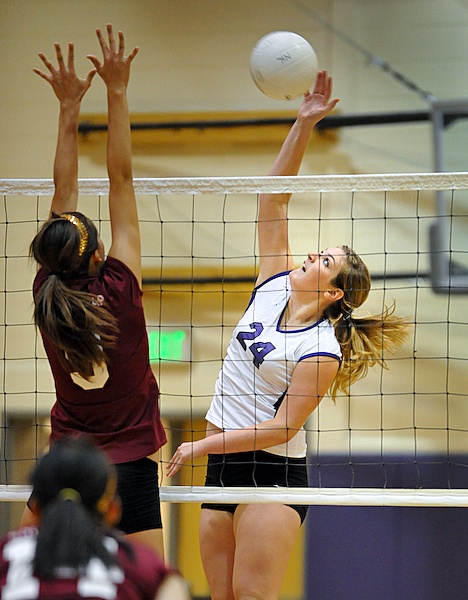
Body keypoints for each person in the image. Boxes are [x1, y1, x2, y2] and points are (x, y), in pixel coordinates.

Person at [166, 70, 410, 600]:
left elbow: (280, 428)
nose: (309, 256)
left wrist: (199, 445)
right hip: (222, 466)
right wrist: (302, 124)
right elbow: (273, 202)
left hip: (270, 473)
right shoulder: (273, 286)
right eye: (318, 251)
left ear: (335, 293)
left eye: (324, 261)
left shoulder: (320, 350)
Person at [23, 25, 167, 558]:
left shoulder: (47, 292)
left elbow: (64, 191)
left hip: (67, 458)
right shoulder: (120, 288)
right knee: (149, 582)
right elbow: (121, 180)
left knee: (28, 569)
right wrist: (117, 90)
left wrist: (67, 107)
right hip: (128, 464)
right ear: (101, 254)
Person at [0, 436, 190, 599]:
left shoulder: (7, 554)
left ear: (35, 506)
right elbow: (173, 589)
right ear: (113, 510)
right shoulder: (136, 564)